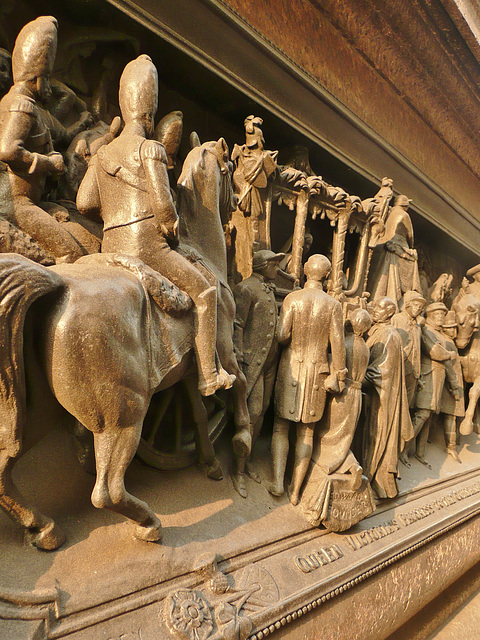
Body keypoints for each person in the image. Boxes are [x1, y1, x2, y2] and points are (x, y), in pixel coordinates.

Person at [77, 55, 234, 397]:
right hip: (148, 248)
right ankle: (209, 374)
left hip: (112, 245)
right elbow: (165, 209)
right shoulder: (152, 149)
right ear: (149, 113)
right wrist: (173, 229)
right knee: (206, 290)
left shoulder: (103, 153)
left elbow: (84, 203)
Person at [0, 16, 84, 263]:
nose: (48, 84)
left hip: (31, 200)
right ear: (38, 77)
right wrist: (49, 164)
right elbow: (7, 151)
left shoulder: (19, 104)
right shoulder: (22, 105)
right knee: (72, 254)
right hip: (18, 203)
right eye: (46, 77)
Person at [267, 254, 347, 505]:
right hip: (318, 373)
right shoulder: (333, 305)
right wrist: (339, 374)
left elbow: (281, 336)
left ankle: (278, 482)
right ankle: (296, 492)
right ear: (326, 275)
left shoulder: (293, 298)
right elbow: (338, 344)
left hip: (292, 368)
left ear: (304, 271)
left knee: (281, 427)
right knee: (307, 434)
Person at [232, 249, 284, 497]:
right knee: (250, 414)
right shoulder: (246, 288)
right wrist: (239, 356)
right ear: (263, 266)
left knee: (261, 412)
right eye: (274, 264)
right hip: (252, 362)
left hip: (268, 364)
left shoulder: (267, 288)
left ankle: (248, 460)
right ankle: (238, 471)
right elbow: (238, 323)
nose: (278, 268)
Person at [363, 297, 414, 498]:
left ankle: (377, 482)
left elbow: (382, 371)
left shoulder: (391, 335)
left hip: (383, 398)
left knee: (378, 437)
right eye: (375, 306)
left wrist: (357, 377)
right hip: (372, 395)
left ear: (390, 313)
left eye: (381, 308)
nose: (376, 310)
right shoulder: (376, 330)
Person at [411, 302, 460, 467]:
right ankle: (403, 448)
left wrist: (453, 385)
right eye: (438, 314)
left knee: (429, 415)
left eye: (442, 315)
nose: (441, 317)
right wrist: (450, 354)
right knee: (422, 414)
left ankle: (420, 453)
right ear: (430, 315)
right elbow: (436, 353)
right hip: (428, 376)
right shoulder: (427, 331)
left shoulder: (440, 335)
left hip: (438, 378)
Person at [367, 195, 422, 305]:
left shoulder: (390, 212)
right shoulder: (404, 215)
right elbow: (410, 236)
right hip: (398, 249)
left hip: (384, 245)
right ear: (405, 205)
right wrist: (410, 249)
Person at [391, 290, 426, 407]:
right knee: (395, 401)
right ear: (408, 304)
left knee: (407, 404)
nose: (418, 309)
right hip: (399, 365)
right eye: (416, 305)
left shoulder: (417, 326)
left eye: (420, 307)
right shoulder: (397, 319)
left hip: (413, 370)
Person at [440, 311, 465, 462]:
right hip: (450, 386)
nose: (453, 331)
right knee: (451, 416)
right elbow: (449, 367)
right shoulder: (445, 342)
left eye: (455, 328)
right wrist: (454, 387)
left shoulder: (452, 342)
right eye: (450, 328)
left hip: (454, 385)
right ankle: (451, 447)